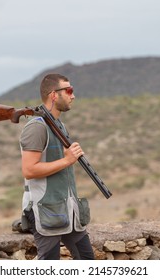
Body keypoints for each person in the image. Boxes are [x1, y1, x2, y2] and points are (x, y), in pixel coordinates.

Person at [19, 73, 94, 260]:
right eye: (69, 91)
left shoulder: (59, 124)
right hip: (46, 212)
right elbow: (29, 170)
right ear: (54, 95)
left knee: (88, 261)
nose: (73, 96)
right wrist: (67, 160)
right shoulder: (36, 127)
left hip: (68, 212)